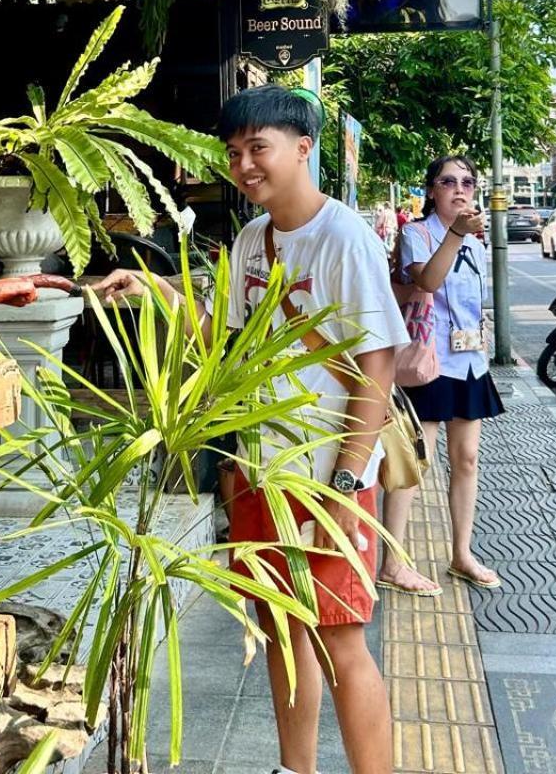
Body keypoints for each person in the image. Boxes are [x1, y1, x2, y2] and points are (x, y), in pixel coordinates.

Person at [95, 85, 402, 774]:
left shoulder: (343, 236)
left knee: (341, 642)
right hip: (262, 470)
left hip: (327, 474)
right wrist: (160, 294)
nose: (244, 165)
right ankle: (295, 769)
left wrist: (343, 486)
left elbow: (377, 367)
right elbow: (226, 346)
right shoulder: (251, 238)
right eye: (234, 152)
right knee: (284, 631)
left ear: (302, 148)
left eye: (258, 148)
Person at [378, 155, 505, 597]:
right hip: (429, 362)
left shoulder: (478, 241)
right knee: (415, 462)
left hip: (469, 360)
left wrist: (464, 236)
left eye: (467, 182)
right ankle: (392, 562)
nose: (460, 189)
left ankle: (462, 553)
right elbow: (428, 282)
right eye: (448, 181)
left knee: (467, 459)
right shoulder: (418, 233)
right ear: (431, 189)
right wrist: (455, 234)